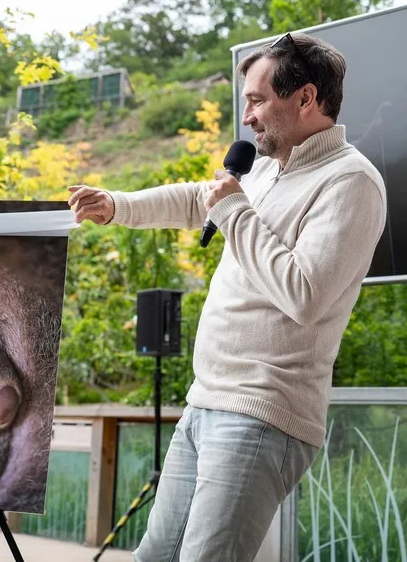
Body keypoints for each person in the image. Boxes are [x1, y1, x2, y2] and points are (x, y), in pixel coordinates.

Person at [69, 32, 387, 561]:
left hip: (263, 414)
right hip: (204, 402)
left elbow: (306, 294)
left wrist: (236, 212)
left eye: (258, 100)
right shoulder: (265, 168)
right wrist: (116, 205)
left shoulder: (351, 182)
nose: (247, 117)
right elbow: (201, 199)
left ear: (306, 98)